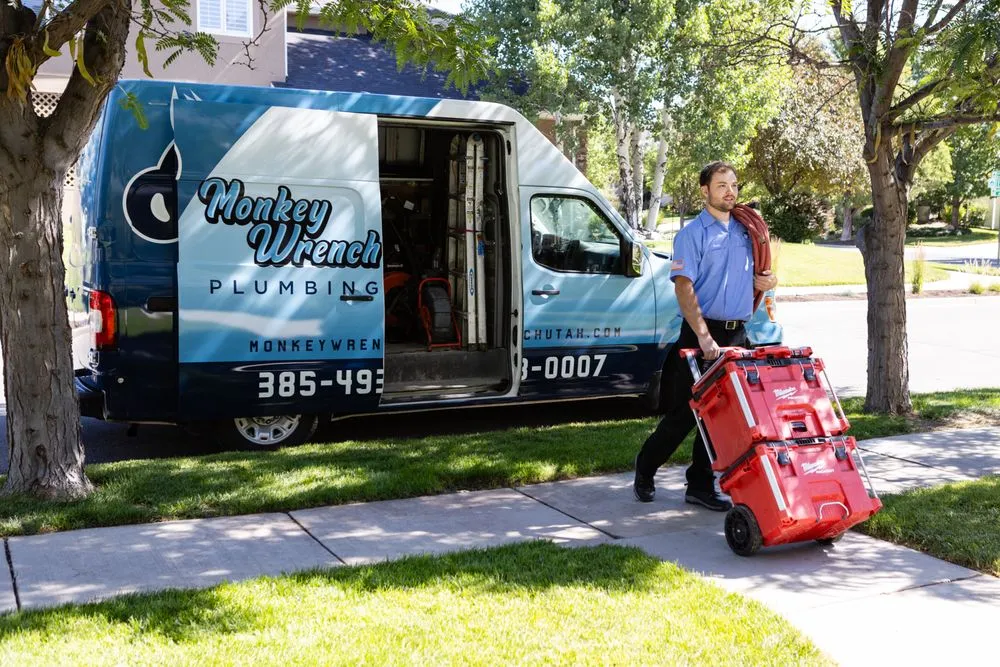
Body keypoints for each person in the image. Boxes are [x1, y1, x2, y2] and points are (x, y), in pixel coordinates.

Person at [633, 161, 778, 510]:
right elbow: (684, 288)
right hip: (702, 334)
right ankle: (645, 467)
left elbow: (763, 275)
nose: (730, 191)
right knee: (686, 413)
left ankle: (699, 484)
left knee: (723, 417)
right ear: (705, 191)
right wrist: (702, 336)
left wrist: (768, 282)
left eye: (734, 185)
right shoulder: (692, 234)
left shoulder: (745, 232)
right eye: (721, 185)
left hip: (737, 335)